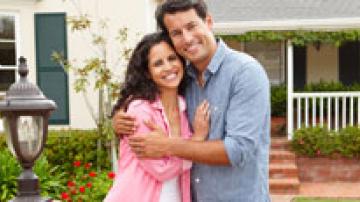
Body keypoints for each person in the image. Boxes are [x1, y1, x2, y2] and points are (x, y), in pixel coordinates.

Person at [113, 0, 271, 201]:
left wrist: (168, 145)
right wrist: (121, 119)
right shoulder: (182, 80)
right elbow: (147, 103)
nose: (187, 38)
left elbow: (237, 150)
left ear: (209, 22)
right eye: (176, 33)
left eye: (191, 26)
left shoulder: (245, 73)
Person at [104, 32, 210, 202]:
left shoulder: (185, 106)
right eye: (158, 63)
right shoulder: (140, 110)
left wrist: (181, 148)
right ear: (147, 73)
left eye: (172, 58)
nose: (168, 67)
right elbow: (161, 170)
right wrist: (196, 141)